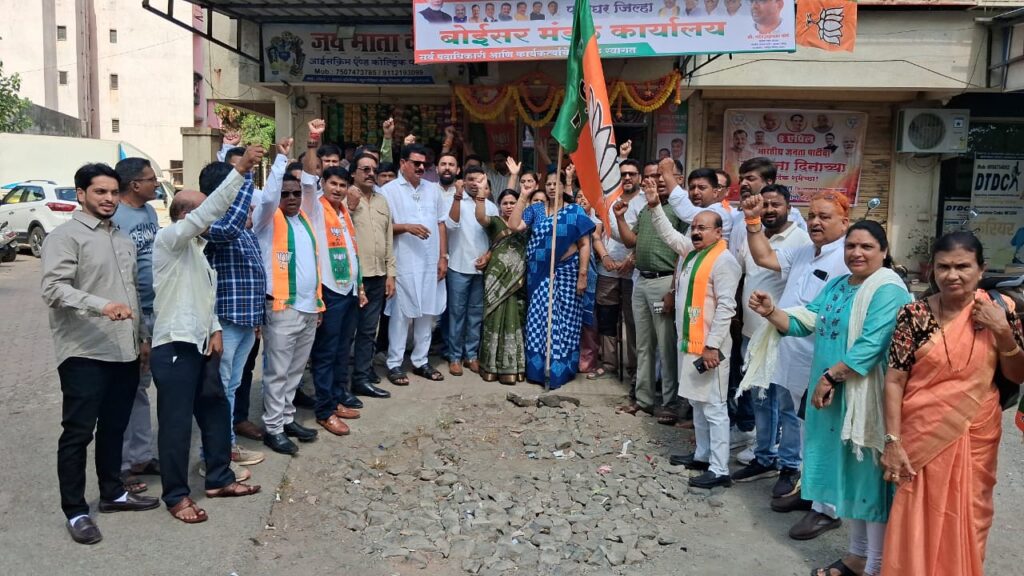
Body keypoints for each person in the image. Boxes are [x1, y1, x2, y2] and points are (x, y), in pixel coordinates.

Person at [748, 220, 911, 576]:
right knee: (848, 477)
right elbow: (808, 319)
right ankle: (857, 555)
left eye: (867, 247)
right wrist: (772, 311)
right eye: (851, 246)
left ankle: (876, 565)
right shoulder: (839, 284)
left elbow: (873, 343)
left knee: (869, 480)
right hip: (835, 397)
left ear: (884, 251)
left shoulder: (889, 289)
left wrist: (830, 376)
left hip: (866, 399)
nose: (857, 253)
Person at [880, 232, 1024, 576]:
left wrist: (1002, 332)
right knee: (917, 517)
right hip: (921, 434)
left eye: (962, 266)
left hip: (977, 432)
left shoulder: (1001, 310)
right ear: (932, 270)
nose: (952, 275)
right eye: (943, 267)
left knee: (970, 518)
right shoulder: (913, 315)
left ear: (980, 269)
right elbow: (895, 380)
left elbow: (1017, 375)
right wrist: (893, 442)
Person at [42, 163, 160, 545]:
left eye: (112, 192)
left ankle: (113, 493)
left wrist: (143, 339)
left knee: (114, 427)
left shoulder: (122, 238)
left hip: (124, 350)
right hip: (84, 351)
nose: (109, 199)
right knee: (77, 434)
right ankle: (75, 511)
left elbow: (134, 294)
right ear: (81, 194)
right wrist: (101, 305)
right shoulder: (65, 238)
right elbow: (54, 289)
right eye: (100, 192)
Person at [150, 146, 265, 524]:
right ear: (187, 217)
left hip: (202, 345)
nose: (211, 216)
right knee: (176, 425)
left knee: (215, 411)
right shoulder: (169, 241)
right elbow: (211, 211)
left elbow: (205, 297)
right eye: (202, 211)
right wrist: (241, 171)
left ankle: (219, 479)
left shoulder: (199, 252)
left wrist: (215, 329)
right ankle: (176, 496)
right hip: (175, 346)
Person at [739, 190, 852, 538]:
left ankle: (828, 510)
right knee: (802, 428)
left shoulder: (847, 257)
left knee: (825, 431)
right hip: (793, 351)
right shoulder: (805, 249)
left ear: (844, 222)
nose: (816, 222)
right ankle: (809, 489)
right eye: (812, 215)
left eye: (825, 217)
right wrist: (753, 221)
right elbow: (764, 256)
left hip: (825, 358)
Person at [644, 179, 741, 488]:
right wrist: (654, 206)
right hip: (690, 341)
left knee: (714, 407)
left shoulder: (724, 261)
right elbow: (669, 235)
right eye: (694, 227)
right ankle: (702, 455)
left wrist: (712, 346)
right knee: (698, 403)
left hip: (711, 348)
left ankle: (720, 469)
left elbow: (726, 307)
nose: (696, 232)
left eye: (703, 228)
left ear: (718, 233)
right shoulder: (693, 253)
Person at [730, 184, 810, 483]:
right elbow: (747, 273)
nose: (770, 210)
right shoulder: (754, 234)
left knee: (786, 406)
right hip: (752, 334)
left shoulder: (800, 241)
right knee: (761, 400)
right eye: (765, 204)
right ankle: (764, 457)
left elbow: (767, 261)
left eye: (776, 204)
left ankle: (788, 464)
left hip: (781, 334)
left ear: (789, 206)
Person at [252, 140, 322, 455]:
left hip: (308, 308)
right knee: (277, 372)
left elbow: (310, 184)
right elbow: (268, 198)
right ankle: (273, 427)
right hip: (281, 308)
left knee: (295, 371)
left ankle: (287, 418)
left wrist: (312, 146)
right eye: (286, 194)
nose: (292, 198)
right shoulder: (267, 219)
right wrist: (280, 160)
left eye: (295, 194)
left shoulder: (306, 218)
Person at [302, 119, 367, 437]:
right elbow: (308, 177)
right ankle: (324, 410)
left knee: (343, 350)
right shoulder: (315, 207)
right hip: (328, 291)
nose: (338, 189)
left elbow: (351, 251)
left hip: (349, 290)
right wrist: (313, 140)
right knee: (326, 353)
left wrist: (360, 286)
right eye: (333, 184)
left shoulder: (343, 212)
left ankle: (337, 398)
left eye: (342, 185)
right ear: (323, 185)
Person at [200, 160, 267, 466]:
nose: (247, 201)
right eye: (237, 188)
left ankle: (225, 447)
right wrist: (246, 173)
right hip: (224, 322)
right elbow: (227, 230)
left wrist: (257, 320)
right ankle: (213, 457)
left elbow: (255, 274)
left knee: (231, 387)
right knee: (219, 390)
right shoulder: (209, 225)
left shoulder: (245, 230)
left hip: (245, 322)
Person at [508, 164, 594, 389]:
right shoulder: (536, 210)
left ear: (563, 186)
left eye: (556, 184)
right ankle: (539, 370)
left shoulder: (574, 211)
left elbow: (585, 244)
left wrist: (583, 275)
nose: (552, 187)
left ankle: (560, 369)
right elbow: (514, 225)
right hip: (540, 275)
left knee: (565, 321)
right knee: (539, 319)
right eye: (548, 184)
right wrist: (523, 196)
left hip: (567, 274)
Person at [614, 163, 688, 422]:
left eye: (661, 176)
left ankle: (670, 402)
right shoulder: (647, 208)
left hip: (664, 282)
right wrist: (620, 218)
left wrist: (673, 289)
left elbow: (684, 252)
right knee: (644, 345)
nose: (656, 181)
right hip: (642, 281)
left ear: (678, 179)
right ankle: (643, 399)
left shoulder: (680, 210)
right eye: (652, 177)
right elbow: (630, 242)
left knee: (666, 346)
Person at [112, 157, 161, 493]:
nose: (156, 183)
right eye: (150, 179)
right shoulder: (116, 217)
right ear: (134, 185)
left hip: (155, 309)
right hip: (130, 313)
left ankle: (141, 456)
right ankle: (121, 466)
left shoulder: (150, 213)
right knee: (125, 390)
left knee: (142, 386)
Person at [381, 144, 449, 385]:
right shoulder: (388, 191)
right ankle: (394, 363)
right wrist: (406, 227)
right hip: (403, 262)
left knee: (427, 313)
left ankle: (421, 360)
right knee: (400, 315)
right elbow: (383, 228)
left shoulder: (433, 189)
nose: (421, 167)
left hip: (430, 262)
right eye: (416, 163)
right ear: (402, 163)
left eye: (424, 164)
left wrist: (443, 257)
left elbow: (441, 223)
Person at [348, 153, 396, 400]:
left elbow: (388, 239)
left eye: (373, 169)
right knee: (346, 332)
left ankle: (361, 378)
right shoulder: (343, 198)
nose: (370, 173)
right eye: (364, 169)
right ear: (353, 173)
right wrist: (350, 207)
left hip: (377, 275)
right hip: (351, 278)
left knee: (369, 331)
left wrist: (391, 274)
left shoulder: (382, 201)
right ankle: (338, 384)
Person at [446, 164, 499, 376]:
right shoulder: (455, 201)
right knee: (456, 314)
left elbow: (496, 238)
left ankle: (471, 355)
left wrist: (488, 256)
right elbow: (450, 226)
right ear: (464, 181)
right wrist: (457, 197)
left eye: (479, 180)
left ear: (484, 181)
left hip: (481, 268)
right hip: (458, 266)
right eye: (470, 179)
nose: (474, 183)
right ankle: (454, 357)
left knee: (476, 314)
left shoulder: (491, 207)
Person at [592, 159, 640, 383]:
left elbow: (647, 235)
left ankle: (635, 368)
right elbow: (596, 234)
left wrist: (632, 258)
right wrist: (605, 256)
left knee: (633, 320)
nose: (627, 177)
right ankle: (609, 363)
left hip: (634, 270)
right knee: (607, 317)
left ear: (639, 177)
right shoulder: (606, 200)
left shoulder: (645, 201)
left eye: (632, 173)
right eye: (623, 174)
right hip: (607, 269)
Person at [476, 188, 528, 384]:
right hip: (496, 278)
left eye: (512, 203)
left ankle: (513, 367)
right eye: (505, 203)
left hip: (517, 279)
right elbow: (480, 217)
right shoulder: (495, 222)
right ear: (499, 206)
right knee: (494, 318)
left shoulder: (524, 223)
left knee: (515, 317)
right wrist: (481, 196)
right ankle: (490, 365)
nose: (509, 206)